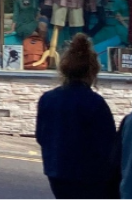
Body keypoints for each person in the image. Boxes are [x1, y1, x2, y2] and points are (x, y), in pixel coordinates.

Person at [36, 33, 116, 199]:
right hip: (89, 178)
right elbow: (108, 146)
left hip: (56, 172)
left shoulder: (48, 99)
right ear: (92, 71)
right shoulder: (95, 103)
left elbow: (41, 136)